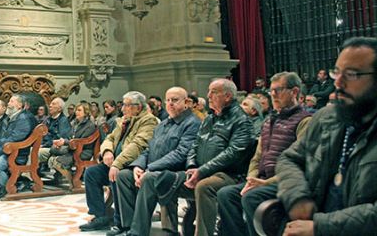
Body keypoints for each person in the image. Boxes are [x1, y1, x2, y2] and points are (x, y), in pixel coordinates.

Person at [277, 37, 377, 236]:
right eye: (337, 72)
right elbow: (289, 158)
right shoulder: (327, 118)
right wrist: (297, 196)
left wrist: (321, 227)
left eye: (352, 74)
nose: (338, 83)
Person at [150, 78, 254, 236]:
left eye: (214, 92)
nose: (209, 95)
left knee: (204, 186)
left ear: (227, 96)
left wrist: (202, 171)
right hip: (200, 171)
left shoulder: (241, 121)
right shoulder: (209, 119)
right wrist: (192, 166)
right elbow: (194, 145)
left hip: (229, 175)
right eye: (209, 91)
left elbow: (233, 152)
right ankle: (169, 232)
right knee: (166, 180)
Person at [217, 72, 311, 236]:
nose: (272, 94)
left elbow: (301, 162)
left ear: (295, 92)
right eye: (271, 90)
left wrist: (265, 183)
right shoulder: (269, 121)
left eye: (278, 90)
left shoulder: (305, 121)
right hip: (262, 180)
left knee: (251, 197)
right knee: (226, 194)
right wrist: (251, 179)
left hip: (289, 182)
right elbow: (257, 157)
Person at [114, 87, 201, 236]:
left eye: (175, 100)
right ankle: (127, 227)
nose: (170, 104)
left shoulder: (192, 123)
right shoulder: (163, 124)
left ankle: (138, 232)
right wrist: (138, 166)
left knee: (149, 179)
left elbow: (180, 154)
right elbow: (148, 149)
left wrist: (150, 168)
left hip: (175, 171)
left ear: (186, 102)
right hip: (153, 168)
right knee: (123, 176)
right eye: (168, 100)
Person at [79, 91, 158, 232]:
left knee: (116, 174)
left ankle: (120, 221)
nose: (122, 109)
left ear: (138, 107)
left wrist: (116, 164)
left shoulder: (148, 121)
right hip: (115, 162)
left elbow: (138, 145)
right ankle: (100, 216)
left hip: (133, 165)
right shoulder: (124, 120)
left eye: (126, 105)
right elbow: (109, 138)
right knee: (91, 173)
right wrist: (107, 152)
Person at [48, 103, 97, 184]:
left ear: (86, 112)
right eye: (76, 110)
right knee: (53, 149)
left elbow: (82, 141)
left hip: (83, 151)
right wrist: (61, 141)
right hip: (73, 148)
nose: (76, 112)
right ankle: (61, 177)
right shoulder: (75, 123)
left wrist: (65, 142)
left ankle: (72, 180)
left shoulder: (90, 125)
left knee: (57, 161)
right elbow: (70, 136)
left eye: (79, 110)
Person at [38, 98, 72, 171]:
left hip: (55, 147)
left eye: (53, 104)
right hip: (45, 145)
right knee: (30, 149)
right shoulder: (48, 119)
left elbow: (60, 138)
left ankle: (30, 174)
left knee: (37, 152)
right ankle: (32, 172)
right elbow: (41, 134)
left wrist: (44, 145)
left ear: (59, 109)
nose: (50, 105)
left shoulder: (63, 120)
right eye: (50, 104)